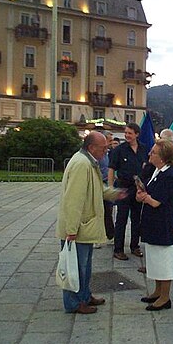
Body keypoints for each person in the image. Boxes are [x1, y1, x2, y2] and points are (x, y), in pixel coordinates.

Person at [56, 131, 126, 314]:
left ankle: (85, 296)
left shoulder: (88, 162)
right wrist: (71, 229)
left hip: (84, 227)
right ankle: (73, 303)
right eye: (103, 148)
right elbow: (74, 199)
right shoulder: (81, 164)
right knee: (75, 267)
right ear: (91, 147)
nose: (106, 151)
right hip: (77, 228)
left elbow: (96, 188)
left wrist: (114, 193)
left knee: (85, 266)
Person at [136, 139, 173, 311]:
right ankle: (157, 291)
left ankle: (165, 297)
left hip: (165, 225)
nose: (150, 154)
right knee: (155, 260)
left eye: (154, 152)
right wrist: (142, 194)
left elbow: (156, 202)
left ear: (163, 157)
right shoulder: (157, 171)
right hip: (155, 224)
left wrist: (145, 197)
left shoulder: (170, 175)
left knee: (164, 262)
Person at [109, 122, 148, 261]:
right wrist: (111, 188)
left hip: (137, 188)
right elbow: (112, 168)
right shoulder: (119, 150)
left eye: (130, 133)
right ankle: (118, 249)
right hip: (123, 187)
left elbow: (146, 167)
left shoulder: (144, 149)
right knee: (121, 219)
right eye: (126, 133)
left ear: (137, 134)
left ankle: (134, 246)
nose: (127, 135)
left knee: (137, 218)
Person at [96, 130, 115, 248]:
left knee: (107, 211)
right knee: (98, 211)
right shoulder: (98, 154)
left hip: (106, 184)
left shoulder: (108, 153)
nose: (111, 143)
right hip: (99, 184)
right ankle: (98, 237)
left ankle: (110, 235)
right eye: (109, 140)